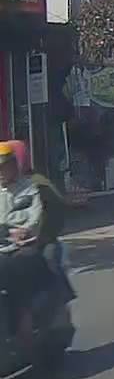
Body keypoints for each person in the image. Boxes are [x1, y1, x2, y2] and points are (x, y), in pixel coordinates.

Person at [0, 142, 52, 345]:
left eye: (4, 166)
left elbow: (36, 216)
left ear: (14, 165)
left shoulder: (28, 188)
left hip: (21, 248)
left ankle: (24, 324)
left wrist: (25, 230)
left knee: (18, 270)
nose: (1, 172)